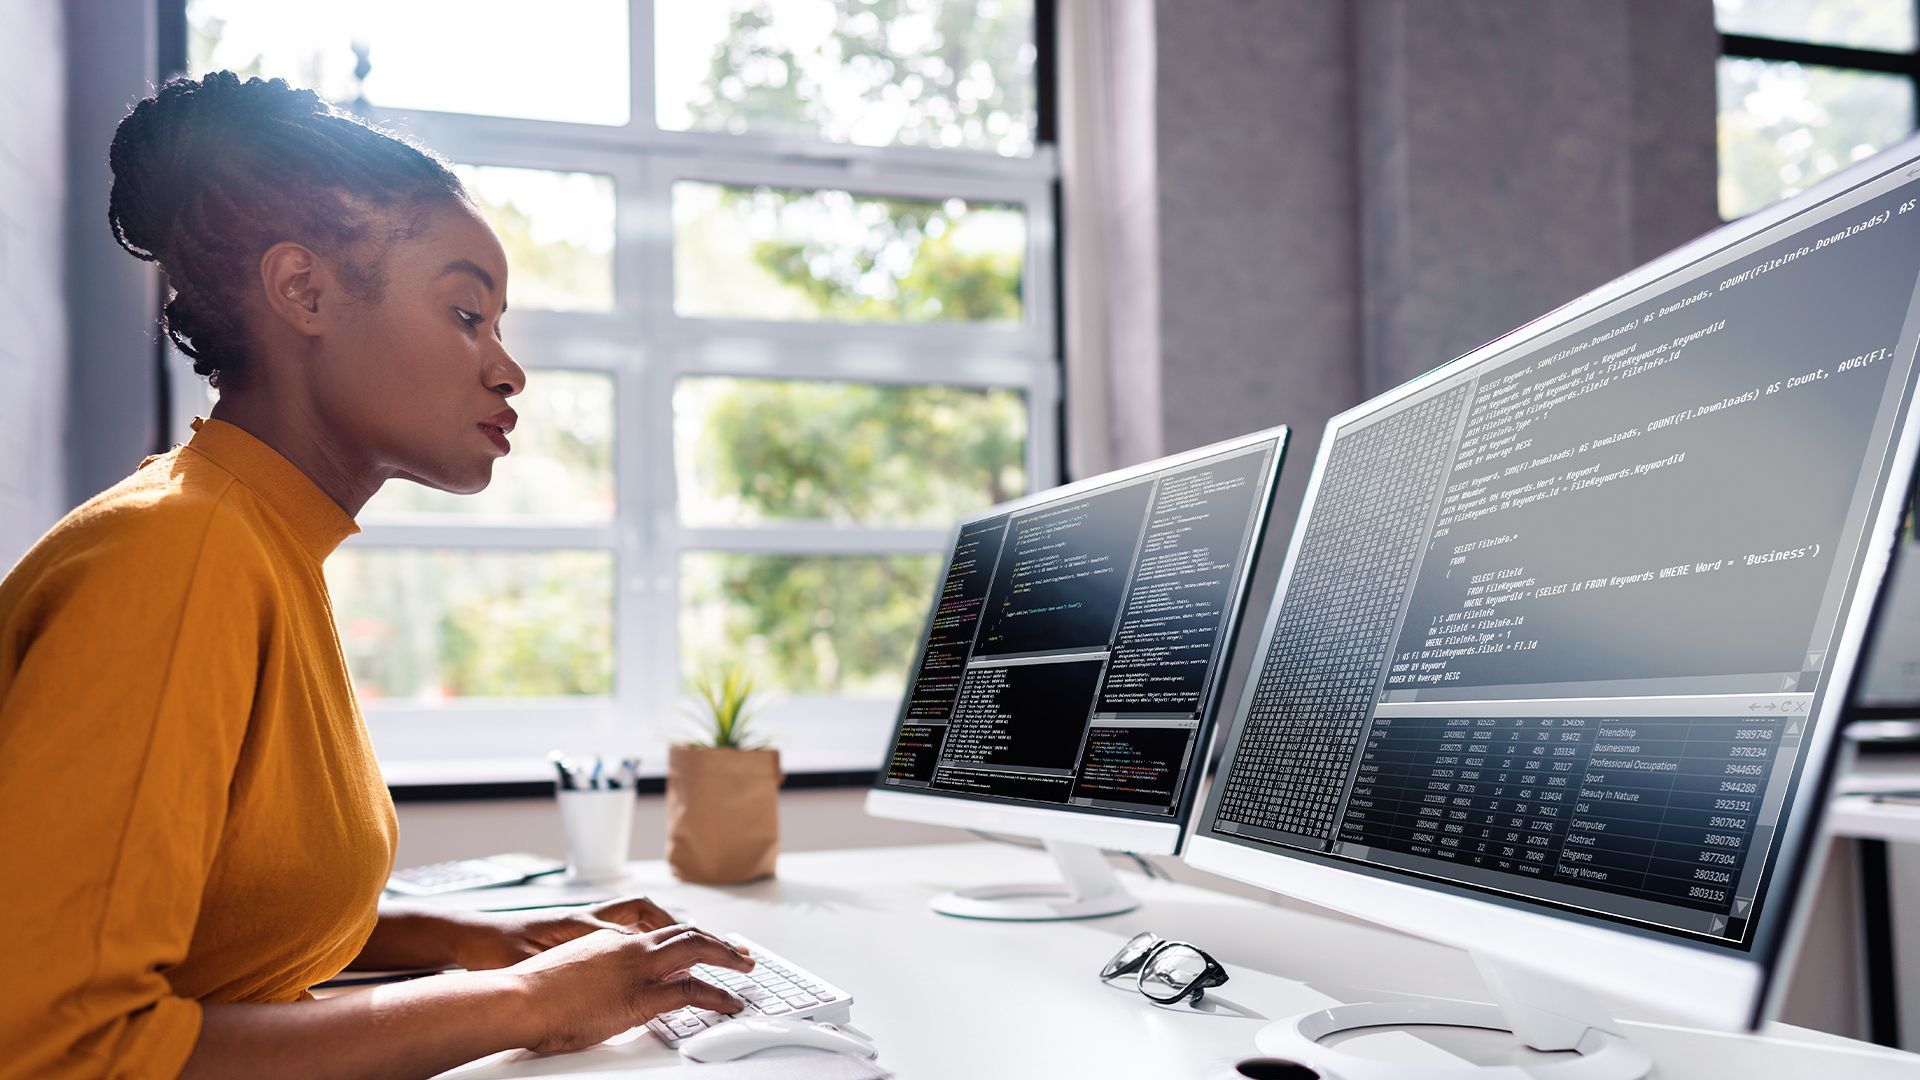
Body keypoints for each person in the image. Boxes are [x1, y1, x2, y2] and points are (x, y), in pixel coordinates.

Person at [0, 72, 751, 1079]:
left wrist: (475, 940)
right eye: (465, 313)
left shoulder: (260, 543)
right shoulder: (175, 560)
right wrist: (524, 1003)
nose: (507, 367)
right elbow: (59, 1045)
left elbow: (226, 905)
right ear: (303, 292)